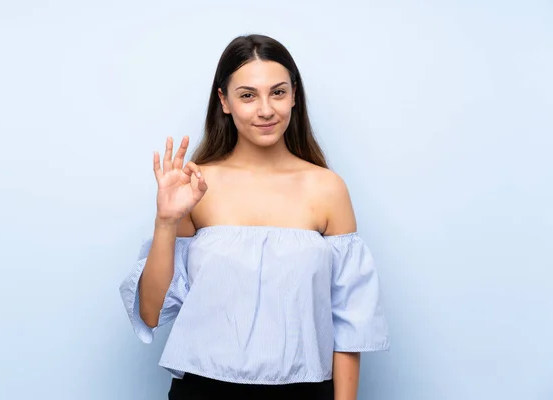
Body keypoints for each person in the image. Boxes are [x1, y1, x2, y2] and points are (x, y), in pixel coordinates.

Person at [119, 34, 390, 400]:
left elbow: (349, 325)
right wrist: (166, 221)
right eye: (248, 95)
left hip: (306, 391)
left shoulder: (327, 189)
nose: (266, 109)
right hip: (203, 391)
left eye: (277, 92)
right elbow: (151, 314)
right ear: (224, 101)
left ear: (294, 95)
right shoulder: (196, 186)